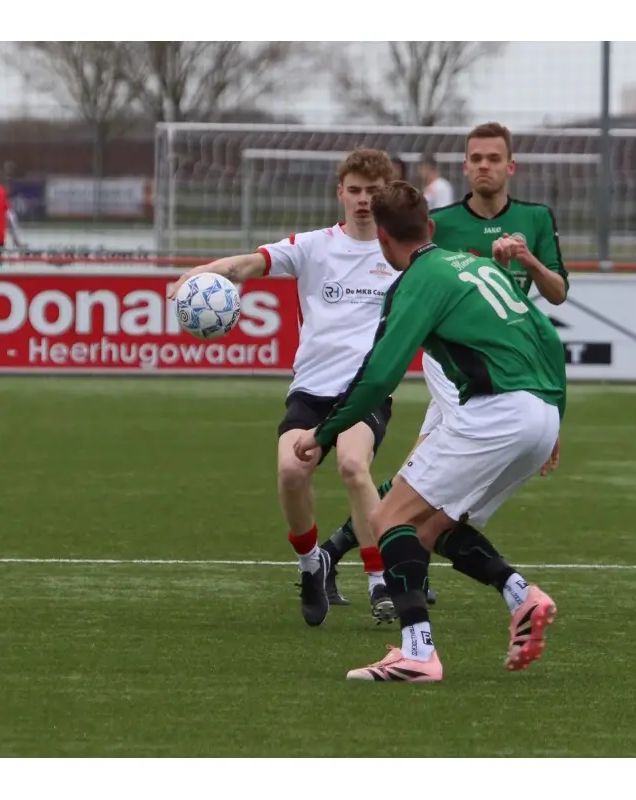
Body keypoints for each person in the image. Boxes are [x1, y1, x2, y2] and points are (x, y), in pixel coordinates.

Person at [292, 182, 567, 682]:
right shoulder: (480, 266)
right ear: (431, 227)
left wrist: (323, 432)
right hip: (539, 412)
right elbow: (547, 337)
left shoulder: (416, 280)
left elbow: (379, 375)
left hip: (496, 414)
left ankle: (418, 653)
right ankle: (521, 595)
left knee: (386, 516)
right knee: (431, 526)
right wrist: (555, 420)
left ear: (382, 238)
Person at [319, 122, 568, 600]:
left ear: (510, 166)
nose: (483, 166)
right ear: (465, 167)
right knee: (431, 488)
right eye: (475, 158)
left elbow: (556, 294)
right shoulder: (442, 221)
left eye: (493, 158)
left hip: (502, 372)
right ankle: (419, 577)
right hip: (459, 365)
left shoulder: (535, 218)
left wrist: (526, 262)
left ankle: (354, 557)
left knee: (417, 488)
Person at [168, 148, 400, 627]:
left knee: (353, 465)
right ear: (340, 193)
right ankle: (312, 565)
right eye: (355, 190)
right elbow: (248, 265)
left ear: (387, 196)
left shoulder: (400, 254)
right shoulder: (314, 246)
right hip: (312, 389)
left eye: (374, 192)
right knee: (292, 474)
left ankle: (380, 580)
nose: (363, 200)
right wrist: (199, 273)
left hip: (367, 389)